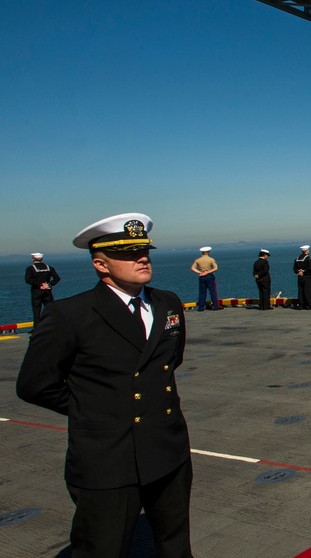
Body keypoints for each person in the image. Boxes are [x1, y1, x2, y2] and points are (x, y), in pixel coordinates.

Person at [16, 213, 193, 557]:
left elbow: (170, 362)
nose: (142, 258)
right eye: (128, 254)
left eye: (144, 251)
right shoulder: (71, 315)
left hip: (167, 447)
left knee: (176, 546)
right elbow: (34, 384)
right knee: (102, 548)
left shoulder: (167, 303)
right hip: (108, 457)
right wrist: (94, 408)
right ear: (101, 264)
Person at [25, 252, 60, 323]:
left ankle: (37, 327)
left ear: (33, 259)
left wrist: (39, 285)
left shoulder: (30, 268)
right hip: (47, 291)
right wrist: (49, 284)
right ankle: (53, 324)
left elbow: (28, 280)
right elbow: (57, 278)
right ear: (42, 258)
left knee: (37, 310)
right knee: (51, 309)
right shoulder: (49, 268)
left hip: (36, 292)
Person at [190, 246, 221, 311]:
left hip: (202, 276)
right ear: (208, 252)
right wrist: (207, 272)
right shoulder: (211, 259)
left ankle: (201, 307)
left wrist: (199, 272)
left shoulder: (198, 260)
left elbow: (192, 268)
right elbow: (215, 268)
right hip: (209, 276)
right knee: (213, 291)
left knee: (202, 292)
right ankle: (216, 306)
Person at [294, 245, 311, 309]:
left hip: (300, 277)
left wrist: (299, 271)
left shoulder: (297, 259)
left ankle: (301, 304)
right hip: (307, 276)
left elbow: (294, 269)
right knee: (308, 291)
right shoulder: (308, 258)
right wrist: (304, 271)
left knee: (300, 291)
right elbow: (310, 267)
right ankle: (309, 305)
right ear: (307, 251)